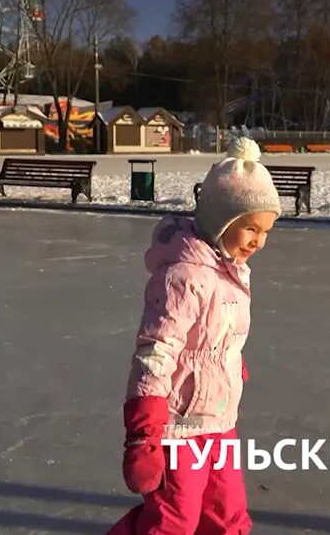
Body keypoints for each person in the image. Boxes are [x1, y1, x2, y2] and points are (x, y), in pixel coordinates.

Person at [108, 137, 281, 535]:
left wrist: (229, 364)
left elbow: (217, 333)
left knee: (226, 515)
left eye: (266, 230)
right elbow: (156, 350)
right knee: (175, 519)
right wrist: (143, 432)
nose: (258, 240)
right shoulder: (184, 277)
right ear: (222, 222)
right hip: (176, 426)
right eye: (250, 228)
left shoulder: (231, 268)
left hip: (220, 421)